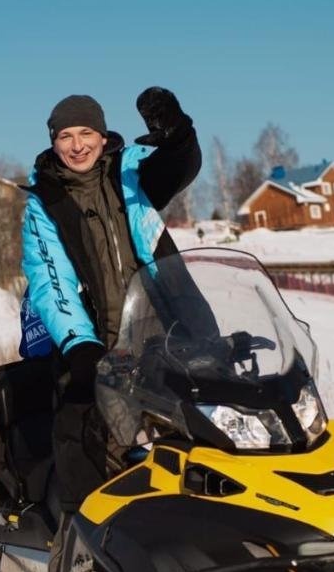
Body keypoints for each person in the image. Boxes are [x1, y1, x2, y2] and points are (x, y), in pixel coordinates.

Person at [20, 87, 201, 512]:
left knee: (200, 435)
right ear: (53, 142)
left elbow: (180, 166)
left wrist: (178, 134)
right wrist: (80, 346)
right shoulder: (43, 201)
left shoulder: (132, 172)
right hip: (99, 346)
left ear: (104, 136)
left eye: (86, 132)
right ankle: (84, 543)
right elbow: (51, 279)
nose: (77, 145)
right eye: (65, 136)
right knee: (85, 437)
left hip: (166, 330)